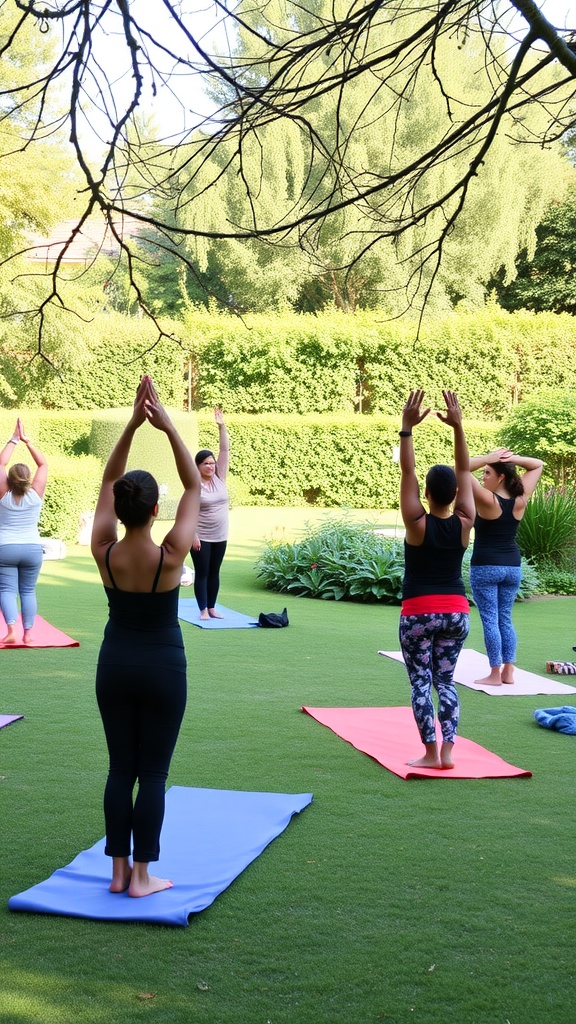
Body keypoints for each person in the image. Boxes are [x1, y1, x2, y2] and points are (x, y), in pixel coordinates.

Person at [91, 376, 200, 898]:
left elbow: (107, 480)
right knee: (152, 773)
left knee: (120, 769)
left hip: (114, 665)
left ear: (122, 507)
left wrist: (131, 426)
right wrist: (169, 425)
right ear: (156, 510)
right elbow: (196, 486)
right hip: (162, 667)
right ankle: (141, 876)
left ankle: (116, 873)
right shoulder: (172, 554)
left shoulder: (104, 550)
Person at [398, 389, 475, 769]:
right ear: (457, 495)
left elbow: (407, 472)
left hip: (418, 614)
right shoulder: (464, 523)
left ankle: (429, 753)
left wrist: (406, 430)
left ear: (426, 493)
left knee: (419, 683)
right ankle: (447, 752)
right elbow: (464, 471)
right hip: (456, 615)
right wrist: (458, 428)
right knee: (445, 681)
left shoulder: (417, 523)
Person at [469, 448, 544, 686]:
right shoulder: (520, 499)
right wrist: (510, 459)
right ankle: (508, 670)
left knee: (491, 620)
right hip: (512, 567)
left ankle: (494, 674)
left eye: (488, 472)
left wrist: (490, 457)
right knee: (505, 619)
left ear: (501, 477)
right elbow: (537, 465)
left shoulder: (487, 500)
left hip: (486, 567)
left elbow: (458, 469)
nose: (483, 476)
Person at [0, 418, 48, 645]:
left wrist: (14, 439)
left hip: (5, 548)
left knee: (7, 590)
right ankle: (28, 634)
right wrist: (28, 441)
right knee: (28, 591)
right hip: (31, 549)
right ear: (28, 479)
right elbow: (43, 465)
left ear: (9, 480)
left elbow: (0, 464)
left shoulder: (4, 495)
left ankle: (11, 630)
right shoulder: (35, 494)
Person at [191, 407, 230, 619]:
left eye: (212, 463)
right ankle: (203, 610)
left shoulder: (219, 477)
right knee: (202, 572)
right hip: (200, 536)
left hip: (220, 534)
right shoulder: (194, 485)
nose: (211, 466)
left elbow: (225, 451)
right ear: (198, 466)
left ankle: (212, 607)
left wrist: (221, 425)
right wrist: (193, 535)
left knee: (215, 572)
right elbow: (188, 512)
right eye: (206, 464)